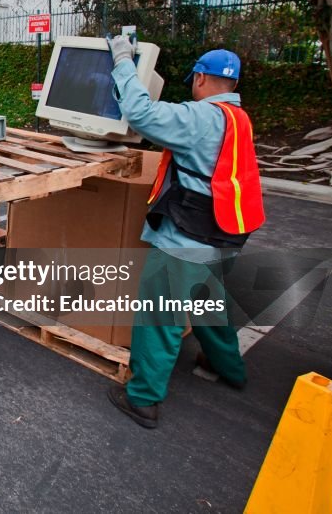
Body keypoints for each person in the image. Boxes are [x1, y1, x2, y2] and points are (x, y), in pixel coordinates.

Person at [104, 37, 265, 429]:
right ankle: (228, 367)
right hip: (224, 231)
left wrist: (123, 60)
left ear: (200, 79)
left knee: (160, 317)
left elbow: (141, 113)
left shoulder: (200, 118)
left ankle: (142, 399)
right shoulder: (237, 118)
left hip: (188, 237)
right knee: (209, 303)